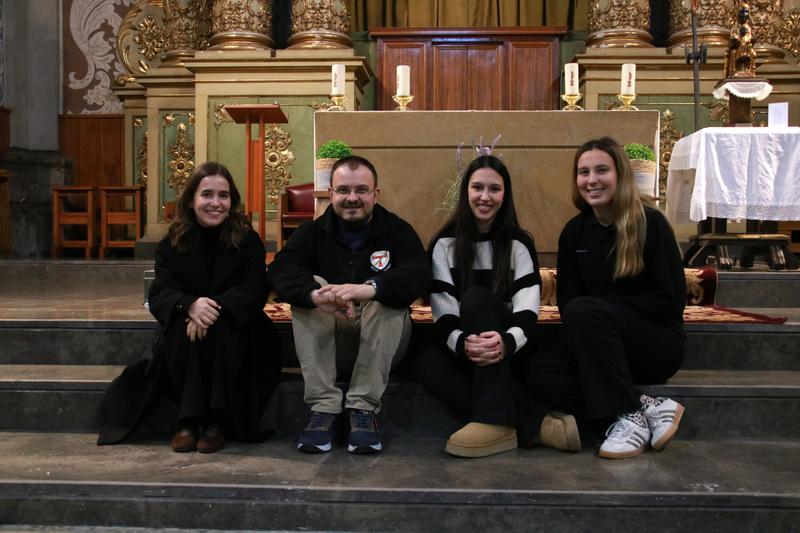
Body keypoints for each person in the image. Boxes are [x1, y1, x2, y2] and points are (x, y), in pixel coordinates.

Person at [97, 162, 282, 453]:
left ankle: (216, 421)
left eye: (223, 196)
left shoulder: (247, 240)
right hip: (188, 319)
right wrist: (189, 305)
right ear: (191, 199)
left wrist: (212, 308)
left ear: (231, 201)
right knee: (184, 333)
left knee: (220, 331)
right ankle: (189, 421)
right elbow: (161, 291)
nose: (215, 203)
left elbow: (255, 287)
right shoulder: (172, 242)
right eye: (207, 194)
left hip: (238, 323)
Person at [417, 154, 581, 458]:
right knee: (428, 364)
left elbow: (528, 309)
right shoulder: (444, 243)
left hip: (509, 345)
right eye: (477, 187)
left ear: (505, 195)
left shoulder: (518, 242)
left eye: (495, 189)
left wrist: (506, 343)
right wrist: (464, 344)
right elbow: (443, 309)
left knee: (477, 298)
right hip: (470, 345)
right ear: (465, 191)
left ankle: (493, 422)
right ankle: (536, 425)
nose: (485, 197)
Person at [269, 155, 431, 454]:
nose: (352, 198)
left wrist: (372, 288)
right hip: (330, 342)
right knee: (311, 287)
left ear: (375, 194)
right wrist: (316, 296)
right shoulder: (311, 233)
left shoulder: (397, 230)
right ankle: (324, 409)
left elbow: (420, 274)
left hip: (385, 344)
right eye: (343, 190)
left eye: (361, 190)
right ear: (330, 194)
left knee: (387, 298)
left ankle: (363, 409)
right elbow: (281, 270)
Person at [557, 137, 686, 459]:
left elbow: (670, 301)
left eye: (602, 170)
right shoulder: (574, 232)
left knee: (584, 310)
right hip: (601, 346)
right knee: (537, 369)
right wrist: (596, 317)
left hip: (654, 345)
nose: (591, 180)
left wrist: (606, 310)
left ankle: (627, 416)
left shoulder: (650, 223)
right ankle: (645, 405)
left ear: (621, 175)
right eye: (583, 172)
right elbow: (566, 301)